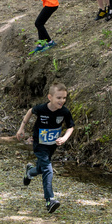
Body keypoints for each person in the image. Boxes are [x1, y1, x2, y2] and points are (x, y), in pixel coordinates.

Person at [16, 82, 75, 213]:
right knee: (48, 169)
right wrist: (21, 128)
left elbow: (71, 126)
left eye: (64, 98)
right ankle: (50, 200)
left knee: (42, 168)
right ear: (50, 97)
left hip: (52, 146)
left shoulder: (64, 112)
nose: (62, 101)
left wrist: (64, 138)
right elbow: (30, 111)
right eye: (59, 98)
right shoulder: (42, 108)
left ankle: (30, 172)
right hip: (39, 145)